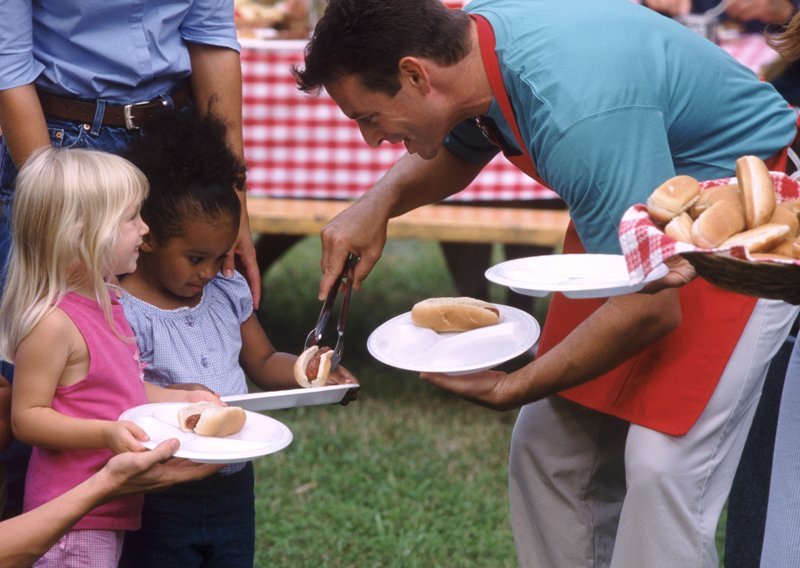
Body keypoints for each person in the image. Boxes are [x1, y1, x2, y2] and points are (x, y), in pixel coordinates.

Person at [295, 0, 800, 565]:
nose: (371, 139)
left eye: (369, 118)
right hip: (629, 208)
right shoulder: (468, 42)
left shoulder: (576, 115)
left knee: (663, 469)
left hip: (742, 222)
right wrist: (378, 204)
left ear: (415, 74)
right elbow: (467, 139)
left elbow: (649, 309)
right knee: (549, 446)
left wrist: (516, 386)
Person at [0, 0, 260, 521]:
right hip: (60, 146)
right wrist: (60, 204)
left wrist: (233, 205)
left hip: (173, 139)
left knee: (124, 359)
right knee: (31, 372)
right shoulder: (65, 199)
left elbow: (212, 39)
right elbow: (7, 63)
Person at [115, 111, 359, 568]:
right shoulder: (122, 309)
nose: (209, 271)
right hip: (162, 484)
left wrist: (306, 372)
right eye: (194, 257)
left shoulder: (225, 291)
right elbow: (119, 393)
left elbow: (263, 359)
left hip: (232, 478)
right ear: (146, 237)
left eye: (220, 255)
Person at [0, 147, 222, 567]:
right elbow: (27, 417)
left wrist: (182, 400)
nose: (144, 228)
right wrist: (106, 434)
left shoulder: (108, 304)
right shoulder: (54, 322)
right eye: (131, 217)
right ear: (84, 234)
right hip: (69, 519)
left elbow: (121, 389)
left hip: (106, 507)